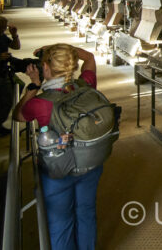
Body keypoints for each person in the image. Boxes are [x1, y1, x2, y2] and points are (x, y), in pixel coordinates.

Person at [14, 44, 102, 250]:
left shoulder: (41, 102)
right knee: (86, 212)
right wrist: (64, 49)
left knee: (61, 221)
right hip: (90, 163)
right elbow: (89, 57)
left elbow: (18, 115)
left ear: (45, 68)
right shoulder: (86, 85)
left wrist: (34, 86)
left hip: (57, 169)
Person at [0, 16, 20, 135]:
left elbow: (16, 46)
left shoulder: (2, 36)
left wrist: (14, 35)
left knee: (19, 86)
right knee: (4, 100)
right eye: (0, 28)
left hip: (3, 71)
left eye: (4, 28)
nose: (2, 31)